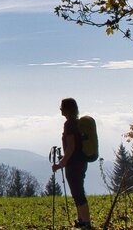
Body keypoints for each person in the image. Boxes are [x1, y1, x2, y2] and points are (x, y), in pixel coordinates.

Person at [52, 97, 92, 229]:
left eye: (62, 107)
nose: (60, 109)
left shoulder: (69, 124)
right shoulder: (77, 123)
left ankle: (86, 222)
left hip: (73, 164)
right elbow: (75, 147)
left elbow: (71, 146)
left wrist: (61, 163)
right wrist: (65, 158)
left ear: (67, 109)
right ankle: (81, 219)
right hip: (81, 162)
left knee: (78, 193)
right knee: (77, 191)